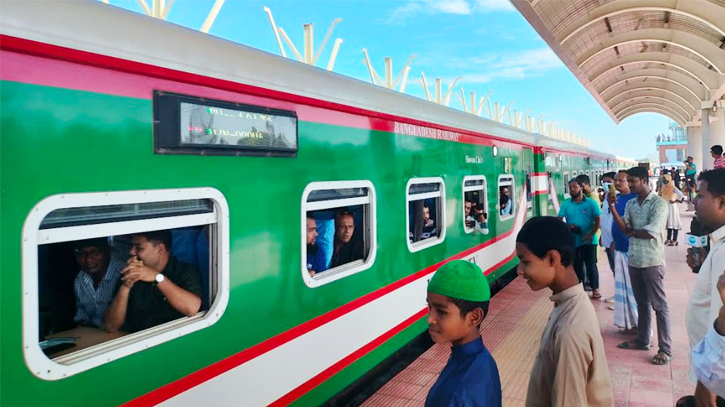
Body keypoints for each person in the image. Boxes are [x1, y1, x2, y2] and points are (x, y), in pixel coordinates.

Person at [516, 217, 613, 407]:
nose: (520, 270)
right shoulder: (569, 304)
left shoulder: (570, 330)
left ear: (552, 258)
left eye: (525, 262)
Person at [609, 166, 673, 365]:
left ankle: (665, 349)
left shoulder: (659, 204)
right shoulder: (630, 204)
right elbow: (624, 228)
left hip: (652, 261)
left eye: (633, 181)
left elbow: (651, 232)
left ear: (644, 180)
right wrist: (612, 208)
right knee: (642, 303)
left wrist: (632, 232)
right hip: (634, 259)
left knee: (659, 306)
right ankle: (643, 339)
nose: (629, 185)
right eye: (628, 181)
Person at [425, 260, 502, 407]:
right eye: (429, 307)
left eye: (441, 312)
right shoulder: (482, 360)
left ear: (474, 317)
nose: (430, 319)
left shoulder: (460, 393)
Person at [104, 230, 203, 333]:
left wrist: (157, 278)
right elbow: (111, 326)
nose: (131, 252)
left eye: (138, 248)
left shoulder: (184, 271)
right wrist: (125, 286)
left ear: (160, 249)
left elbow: (192, 308)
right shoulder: (132, 271)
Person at [684, 169, 725, 406]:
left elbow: (721, 325)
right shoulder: (717, 245)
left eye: (700, 196)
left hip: (715, 381)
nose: (694, 202)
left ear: (721, 201)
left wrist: (705, 392)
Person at [558, 178, 602, 299]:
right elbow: (559, 219)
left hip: (589, 240)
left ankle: (595, 288)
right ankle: (581, 289)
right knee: (577, 265)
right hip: (574, 240)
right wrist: (567, 228)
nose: (572, 189)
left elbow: (598, 219)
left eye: (574, 187)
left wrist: (591, 234)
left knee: (591, 264)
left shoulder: (591, 203)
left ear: (581, 188)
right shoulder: (566, 204)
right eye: (570, 187)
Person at [609, 170, 639, 333]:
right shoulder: (619, 198)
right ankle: (629, 323)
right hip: (620, 248)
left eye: (621, 180)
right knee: (623, 291)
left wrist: (611, 206)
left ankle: (638, 325)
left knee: (632, 291)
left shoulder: (634, 200)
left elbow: (627, 227)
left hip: (630, 250)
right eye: (616, 180)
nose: (617, 183)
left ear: (630, 182)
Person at [72, 238, 124, 329]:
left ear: (108, 251)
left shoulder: (124, 273)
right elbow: (81, 317)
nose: (88, 259)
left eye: (95, 253)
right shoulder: (80, 279)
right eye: (82, 254)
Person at [658, 173, 685, 246]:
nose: (665, 182)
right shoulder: (662, 188)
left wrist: (675, 200)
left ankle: (675, 240)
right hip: (665, 207)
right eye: (664, 180)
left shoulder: (673, 188)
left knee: (674, 222)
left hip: (672, 207)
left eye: (666, 180)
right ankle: (669, 238)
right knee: (668, 223)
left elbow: (681, 196)